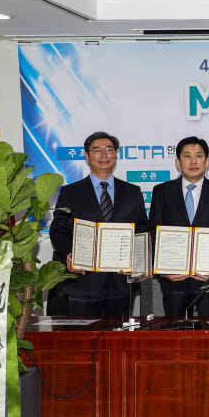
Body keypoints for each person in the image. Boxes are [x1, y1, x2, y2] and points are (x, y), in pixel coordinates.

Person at [48, 131, 150, 317]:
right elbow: (58, 228)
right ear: (86, 156)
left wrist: (139, 259)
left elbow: (142, 229)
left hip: (121, 282)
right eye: (97, 150)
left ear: (116, 154)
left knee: (119, 341)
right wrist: (68, 254)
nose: (104, 155)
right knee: (83, 342)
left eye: (109, 150)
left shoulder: (132, 192)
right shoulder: (71, 192)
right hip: (83, 281)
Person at [149, 136, 209, 316]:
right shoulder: (162, 191)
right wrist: (162, 270)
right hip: (174, 279)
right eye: (187, 156)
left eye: (199, 156)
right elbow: (154, 232)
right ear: (178, 163)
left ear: (207, 162)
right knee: (175, 334)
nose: (193, 161)